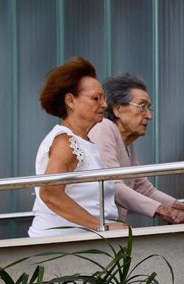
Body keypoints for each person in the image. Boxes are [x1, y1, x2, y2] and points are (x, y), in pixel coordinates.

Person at [89, 73, 184, 224]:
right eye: (142, 107)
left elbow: (144, 189)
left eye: (149, 108)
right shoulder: (104, 127)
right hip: (90, 229)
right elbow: (112, 184)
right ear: (117, 109)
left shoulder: (127, 143)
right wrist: (165, 212)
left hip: (109, 228)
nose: (149, 115)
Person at [28, 56, 126, 237]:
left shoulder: (83, 141)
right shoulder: (65, 142)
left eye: (104, 98)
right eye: (96, 98)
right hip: (66, 249)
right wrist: (100, 226)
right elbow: (50, 192)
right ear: (70, 101)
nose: (104, 104)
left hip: (82, 244)